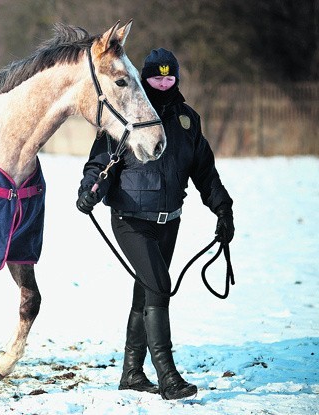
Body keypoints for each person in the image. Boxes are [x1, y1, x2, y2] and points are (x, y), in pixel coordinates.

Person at [76, 48, 234, 400]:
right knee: (160, 287)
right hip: (130, 219)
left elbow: (205, 174)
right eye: (155, 76)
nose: (163, 82)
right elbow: (100, 163)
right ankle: (168, 376)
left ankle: (132, 374)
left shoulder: (187, 121)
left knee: (146, 293)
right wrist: (90, 190)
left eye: (169, 76)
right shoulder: (127, 114)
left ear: (176, 78)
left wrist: (223, 211)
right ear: (143, 78)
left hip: (169, 221)